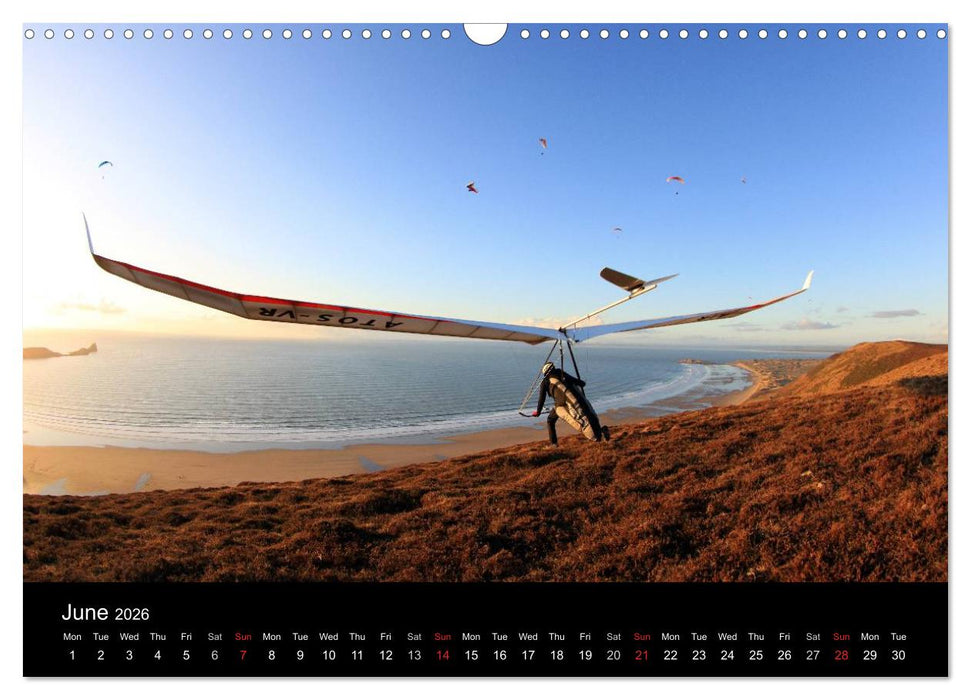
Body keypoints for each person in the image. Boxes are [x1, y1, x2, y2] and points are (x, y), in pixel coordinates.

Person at [532, 361, 610, 445]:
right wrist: (582, 383)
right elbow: (579, 382)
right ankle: (601, 431)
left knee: (550, 420)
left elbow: (541, 398)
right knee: (552, 419)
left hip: (563, 405)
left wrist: (538, 412)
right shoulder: (560, 373)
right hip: (575, 400)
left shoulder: (545, 381)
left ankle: (553, 444)